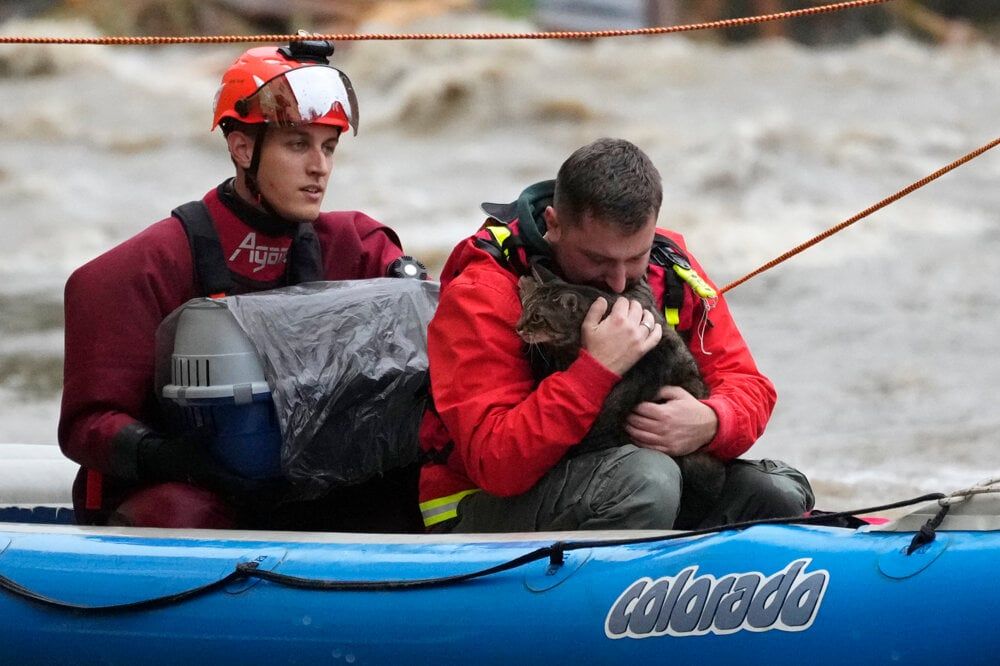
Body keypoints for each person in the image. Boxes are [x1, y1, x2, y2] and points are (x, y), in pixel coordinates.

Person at [59, 40, 424, 531]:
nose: (320, 167)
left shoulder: (357, 248)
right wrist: (174, 458)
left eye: (328, 146)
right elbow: (87, 425)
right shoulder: (142, 268)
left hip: (307, 483)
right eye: (298, 145)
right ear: (243, 147)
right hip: (190, 491)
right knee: (181, 513)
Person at [418, 138, 813, 532]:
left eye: (635, 257)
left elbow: (748, 384)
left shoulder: (668, 267)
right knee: (646, 480)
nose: (620, 280)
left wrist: (711, 420)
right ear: (554, 225)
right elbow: (496, 463)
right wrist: (596, 369)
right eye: (598, 259)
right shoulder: (483, 292)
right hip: (478, 512)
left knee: (776, 492)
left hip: (634, 482)